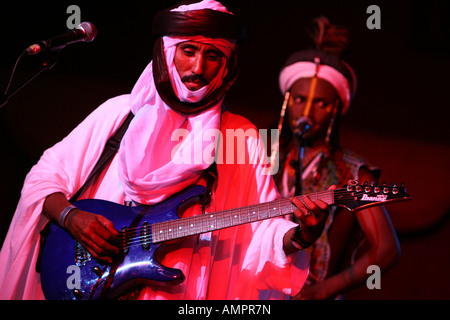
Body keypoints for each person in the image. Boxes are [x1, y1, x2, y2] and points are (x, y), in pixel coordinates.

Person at [0, 0, 329, 300]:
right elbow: (43, 179)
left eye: (212, 55)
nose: (199, 67)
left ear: (227, 65)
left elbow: (262, 232)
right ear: (167, 52)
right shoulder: (120, 113)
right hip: (91, 282)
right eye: (188, 51)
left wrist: (301, 235)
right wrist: (71, 217)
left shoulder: (238, 136)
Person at [273, 17, 400, 299]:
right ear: (286, 100)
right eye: (298, 99)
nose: (307, 111)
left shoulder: (352, 171)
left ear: (334, 110)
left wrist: (323, 291)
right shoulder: (261, 156)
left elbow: (387, 249)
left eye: (321, 103)